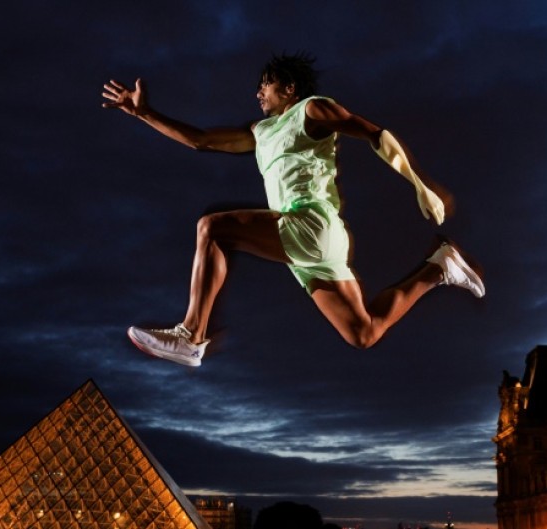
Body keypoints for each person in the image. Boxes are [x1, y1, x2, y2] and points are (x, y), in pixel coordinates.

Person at [101, 53, 484, 367]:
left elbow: (373, 133)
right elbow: (201, 141)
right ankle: (440, 268)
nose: (258, 93)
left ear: (289, 88)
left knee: (213, 228)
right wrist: (144, 113)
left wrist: (419, 184)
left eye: (265, 85)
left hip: (311, 222)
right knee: (363, 333)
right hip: (312, 249)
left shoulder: (311, 109)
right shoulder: (260, 131)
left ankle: (191, 335)